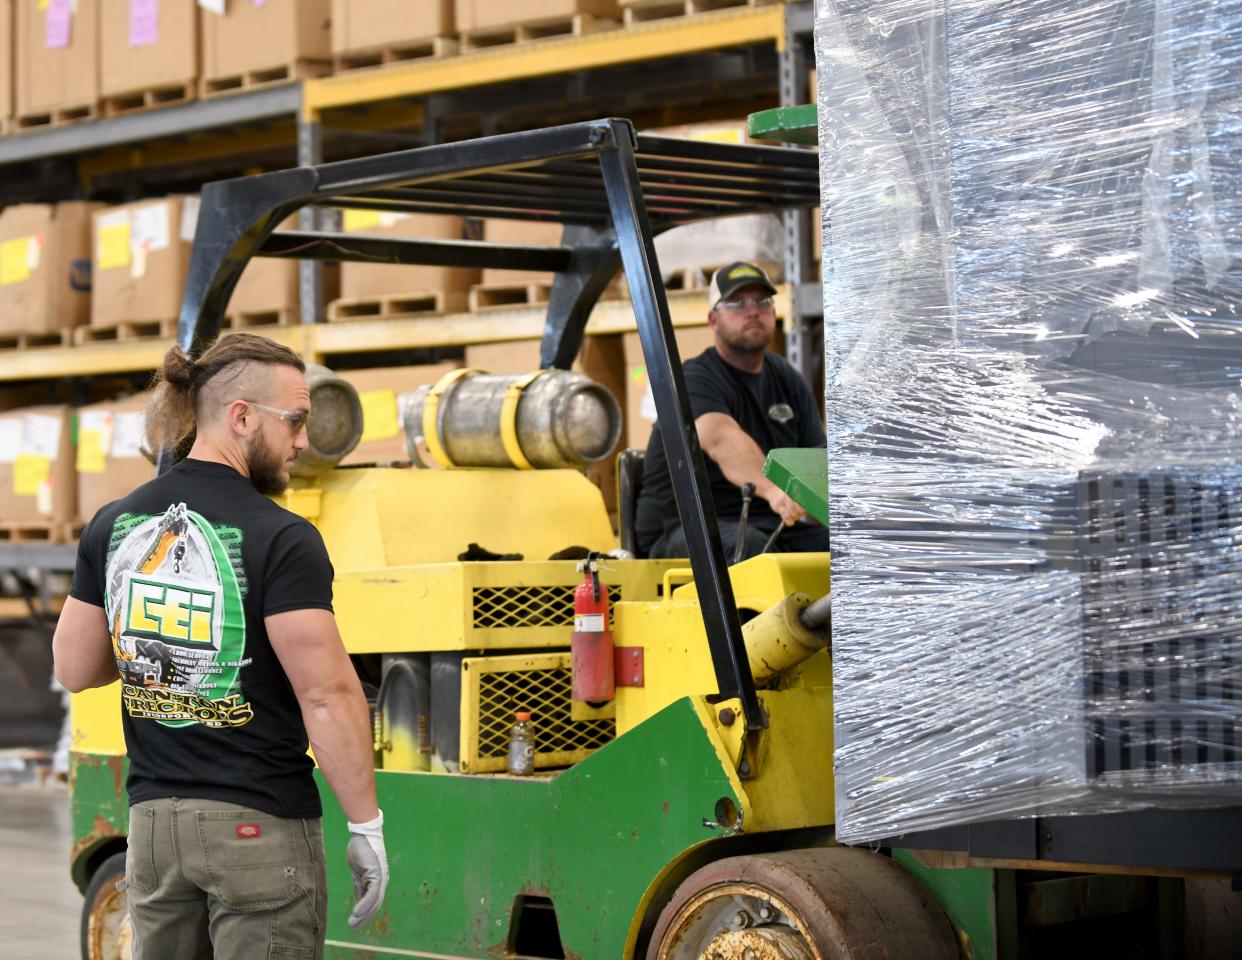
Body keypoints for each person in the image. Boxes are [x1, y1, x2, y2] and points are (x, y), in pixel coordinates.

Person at [52, 333, 388, 959]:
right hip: (256, 829)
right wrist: (366, 823)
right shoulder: (281, 537)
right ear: (242, 417)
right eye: (295, 421)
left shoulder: (116, 522)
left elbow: (76, 667)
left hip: (153, 829)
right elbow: (327, 695)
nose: (303, 442)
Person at [635, 261, 829, 560]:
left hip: (765, 527)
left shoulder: (786, 378)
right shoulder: (693, 379)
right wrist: (774, 490)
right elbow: (722, 440)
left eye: (762, 302)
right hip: (685, 529)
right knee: (748, 547)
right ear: (713, 319)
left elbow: (817, 456)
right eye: (737, 303)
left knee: (849, 547)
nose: (753, 311)